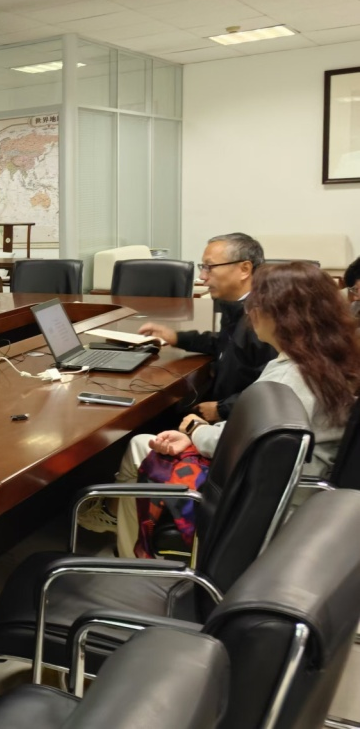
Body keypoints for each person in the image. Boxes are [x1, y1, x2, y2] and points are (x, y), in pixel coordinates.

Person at [110, 262, 360, 557]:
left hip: (270, 498)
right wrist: (200, 435)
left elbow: (247, 444)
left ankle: (135, 561)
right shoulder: (327, 357)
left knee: (142, 447)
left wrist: (195, 431)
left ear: (280, 315)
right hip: (293, 484)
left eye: (256, 305)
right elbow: (257, 430)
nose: (250, 313)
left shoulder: (290, 377)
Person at [136, 233, 276, 424]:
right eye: (203, 267)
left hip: (239, 422)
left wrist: (222, 410)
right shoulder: (237, 305)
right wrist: (176, 337)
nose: (202, 277)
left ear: (244, 269)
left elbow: (274, 387)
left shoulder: (265, 319)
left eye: (210, 267)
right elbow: (225, 343)